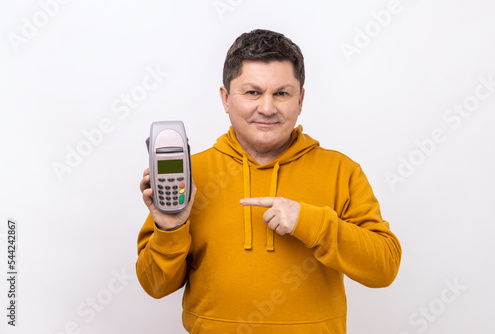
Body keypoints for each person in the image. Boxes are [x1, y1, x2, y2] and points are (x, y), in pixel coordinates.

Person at [136, 29, 402, 333]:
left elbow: (384, 269)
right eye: (252, 92)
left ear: (300, 99)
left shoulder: (341, 170)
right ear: (225, 98)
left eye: (282, 93)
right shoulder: (189, 175)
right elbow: (155, 286)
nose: (267, 108)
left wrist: (313, 223)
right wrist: (171, 228)